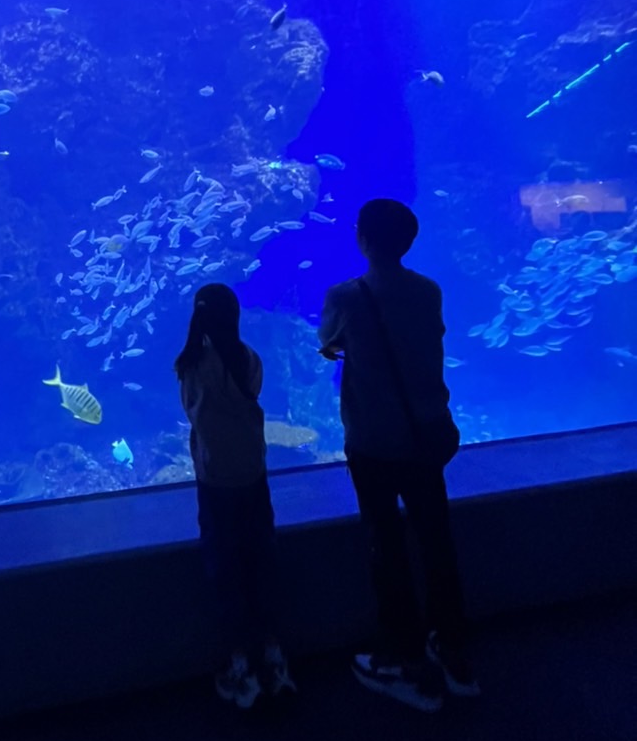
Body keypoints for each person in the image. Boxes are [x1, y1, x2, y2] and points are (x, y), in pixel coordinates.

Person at [319, 198, 478, 712]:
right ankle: (452, 652)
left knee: (386, 546)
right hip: (427, 436)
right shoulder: (428, 291)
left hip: (374, 443)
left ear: (362, 238)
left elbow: (328, 340)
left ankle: (403, 662)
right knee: (438, 540)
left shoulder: (346, 295)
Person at [176, 282, 295, 709]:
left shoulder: (192, 365)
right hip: (253, 475)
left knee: (224, 569)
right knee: (263, 562)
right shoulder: (249, 360)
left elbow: (191, 410)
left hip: (215, 481)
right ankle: (275, 662)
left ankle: (240, 669)